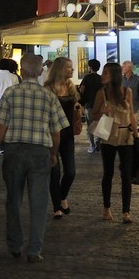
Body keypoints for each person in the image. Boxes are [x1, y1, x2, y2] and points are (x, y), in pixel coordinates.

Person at [0, 54, 68, 263]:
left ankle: (15, 245)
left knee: (13, 199)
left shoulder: (11, 93)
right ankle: (34, 250)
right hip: (40, 151)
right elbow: (56, 131)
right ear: (41, 71)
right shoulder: (48, 96)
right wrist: (53, 153)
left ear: (21, 71)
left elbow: (0, 125)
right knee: (39, 203)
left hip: (14, 151)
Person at [89, 61, 137, 223]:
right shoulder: (101, 93)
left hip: (125, 135)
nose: (102, 76)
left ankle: (126, 211)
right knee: (108, 173)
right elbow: (93, 115)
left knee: (126, 174)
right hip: (108, 135)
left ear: (114, 76)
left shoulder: (126, 92)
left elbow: (131, 115)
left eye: (106, 73)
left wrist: (136, 135)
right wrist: (101, 112)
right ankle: (107, 208)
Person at [42, 56, 80, 217]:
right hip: (52, 133)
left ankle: (62, 196)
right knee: (54, 172)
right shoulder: (49, 88)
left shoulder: (71, 87)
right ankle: (57, 206)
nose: (72, 70)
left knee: (70, 172)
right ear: (60, 69)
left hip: (68, 134)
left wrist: (78, 110)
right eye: (69, 67)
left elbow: (77, 107)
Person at [77, 59, 104, 153]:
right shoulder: (101, 78)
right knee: (100, 124)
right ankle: (98, 142)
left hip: (89, 105)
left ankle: (92, 145)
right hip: (100, 106)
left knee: (90, 125)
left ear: (90, 67)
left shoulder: (87, 78)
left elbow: (82, 90)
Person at [121, 59, 139, 128]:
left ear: (129, 68)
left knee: (133, 127)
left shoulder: (138, 79)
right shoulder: (120, 79)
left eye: (124, 67)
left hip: (134, 108)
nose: (122, 68)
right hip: (122, 109)